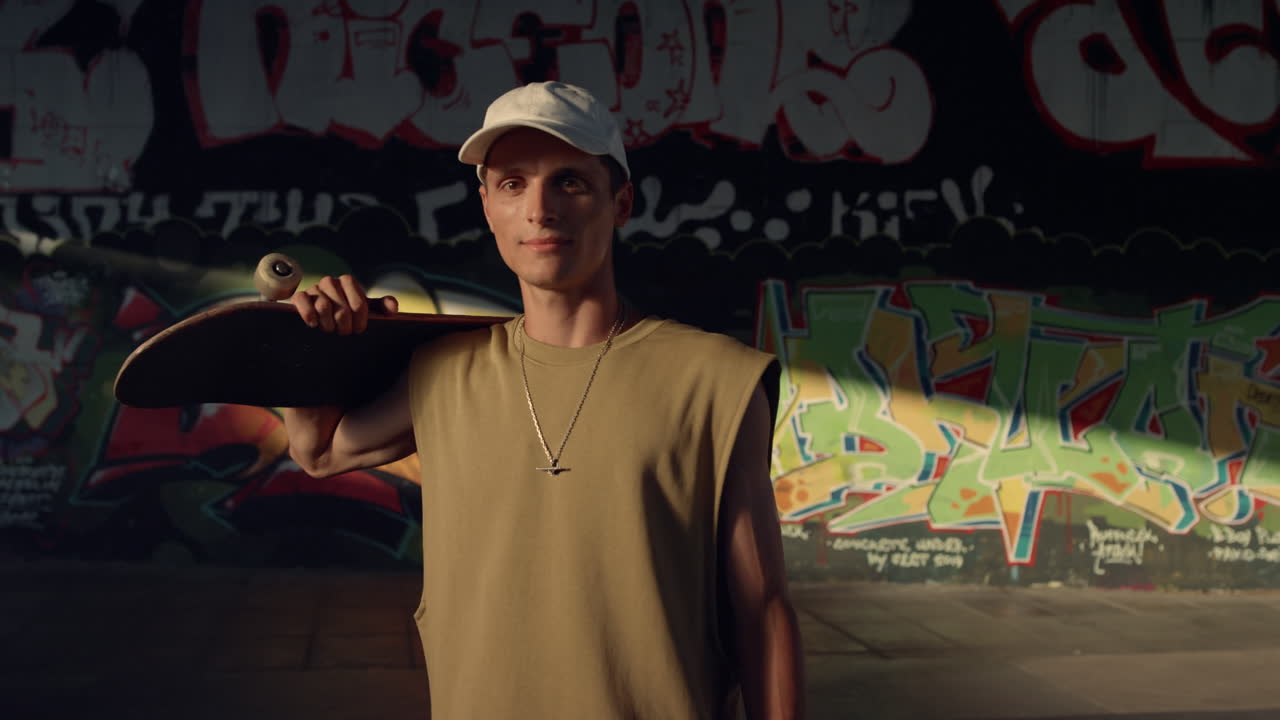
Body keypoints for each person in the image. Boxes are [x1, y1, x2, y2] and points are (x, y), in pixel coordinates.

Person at [283, 81, 803, 719]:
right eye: (512, 184)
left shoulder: (716, 379)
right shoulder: (443, 373)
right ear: (487, 207)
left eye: (570, 182)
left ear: (621, 202)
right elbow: (317, 452)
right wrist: (308, 347)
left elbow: (762, 608)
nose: (539, 209)